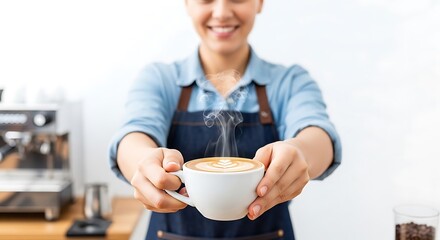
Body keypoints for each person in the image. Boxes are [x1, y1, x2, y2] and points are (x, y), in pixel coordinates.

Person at [109, 0, 342, 239]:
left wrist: (300, 151)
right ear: (187, 4)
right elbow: (134, 135)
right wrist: (144, 162)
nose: (221, 13)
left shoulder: (290, 81)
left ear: (259, 3)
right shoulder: (159, 79)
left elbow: (319, 135)